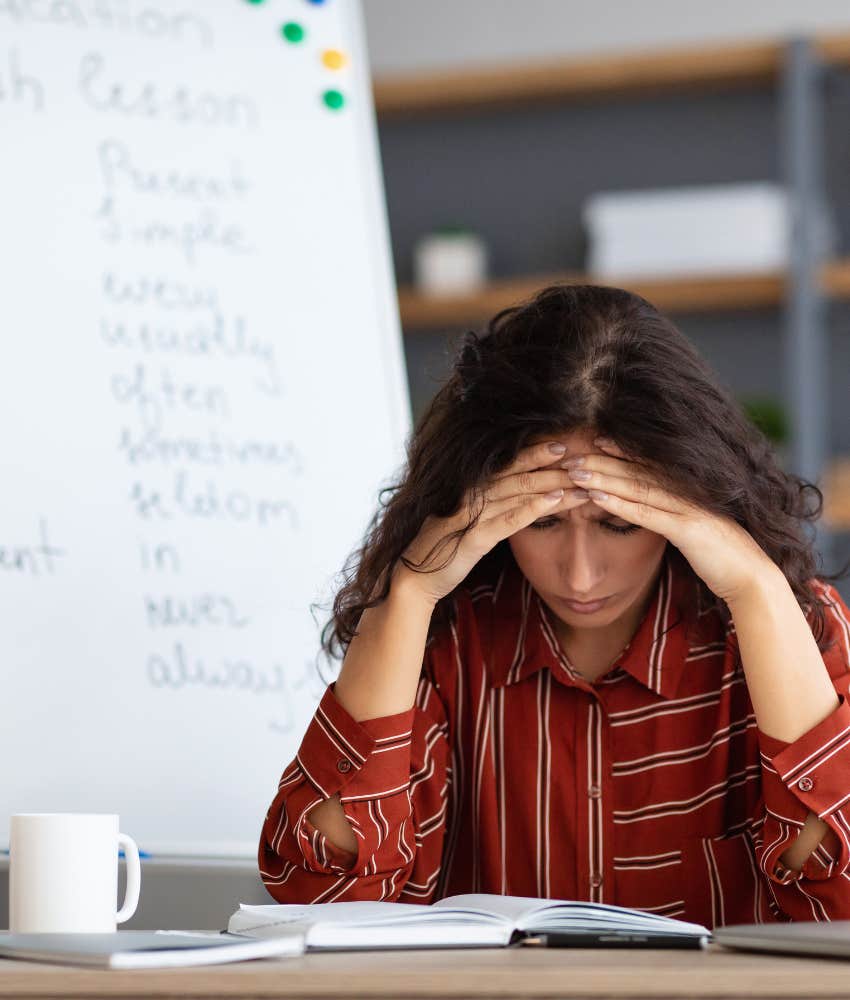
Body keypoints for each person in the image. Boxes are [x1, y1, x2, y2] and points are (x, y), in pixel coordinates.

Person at [259, 283, 850, 927]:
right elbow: (324, 895)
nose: (581, 574)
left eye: (620, 523)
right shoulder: (446, 636)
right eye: (540, 523)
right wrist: (408, 592)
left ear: (693, 505)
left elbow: (838, 908)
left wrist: (757, 589)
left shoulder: (790, 627)